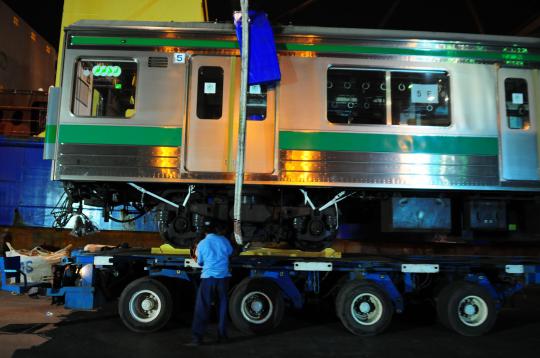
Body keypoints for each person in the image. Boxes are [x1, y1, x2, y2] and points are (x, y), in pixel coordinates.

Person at [188, 220, 234, 346]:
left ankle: (197, 338)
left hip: (208, 278)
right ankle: (222, 336)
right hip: (224, 278)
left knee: (202, 307)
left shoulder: (202, 243)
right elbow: (230, 253)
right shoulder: (224, 240)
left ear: (205, 232)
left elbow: (200, 262)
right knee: (223, 307)